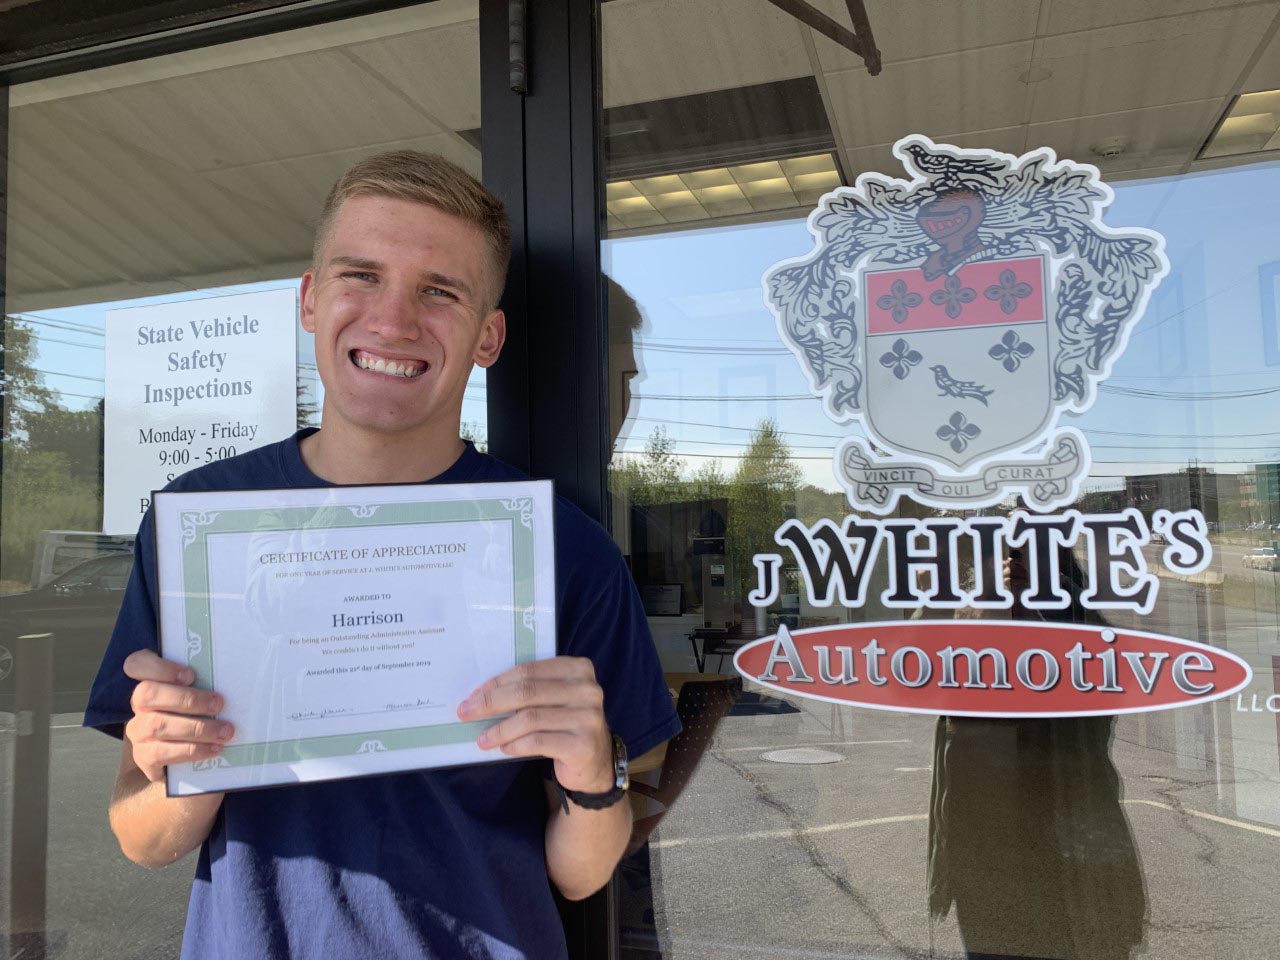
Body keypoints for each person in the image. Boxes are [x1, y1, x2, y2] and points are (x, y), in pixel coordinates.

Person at [84, 151, 681, 960]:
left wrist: (589, 772)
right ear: (310, 298)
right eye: (360, 275)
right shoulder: (200, 526)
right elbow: (146, 840)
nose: (393, 320)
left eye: (441, 291)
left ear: (488, 337)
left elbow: (580, 875)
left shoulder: (562, 549)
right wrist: (177, 767)